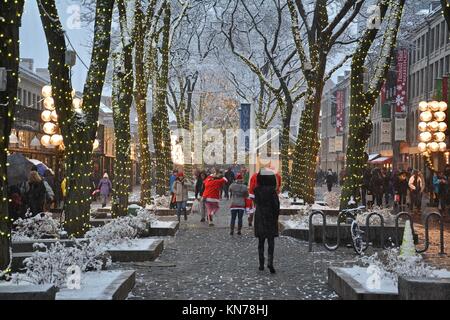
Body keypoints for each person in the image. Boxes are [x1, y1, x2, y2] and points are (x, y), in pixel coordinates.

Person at [254, 170, 280, 274]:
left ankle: (261, 264)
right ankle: (270, 262)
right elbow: (276, 206)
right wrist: (276, 216)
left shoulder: (257, 190)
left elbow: (257, 203)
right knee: (271, 242)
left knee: (260, 242)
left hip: (260, 217)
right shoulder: (272, 192)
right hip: (270, 218)